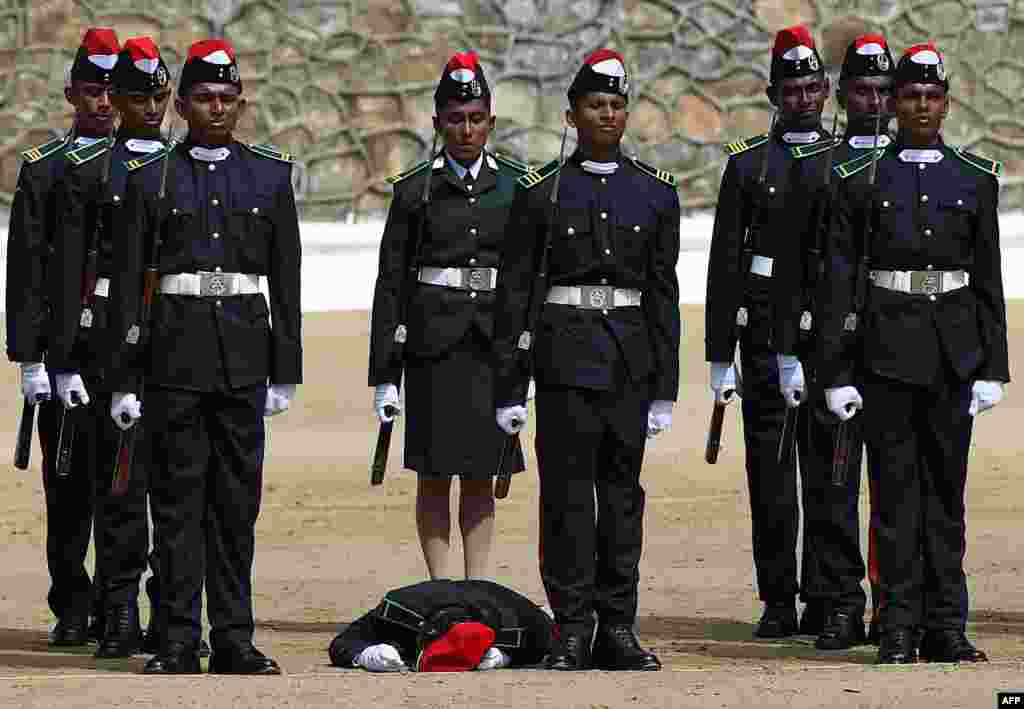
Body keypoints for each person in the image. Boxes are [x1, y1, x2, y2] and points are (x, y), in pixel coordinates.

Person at [107, 38, 301, 675]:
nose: (216, 107)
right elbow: (132, 284)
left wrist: (285, 369)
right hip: (174, 359)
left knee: (237, 506)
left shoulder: (269, 176)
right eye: (203, 98)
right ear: (182, 104)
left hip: (244, 357)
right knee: (177, 503)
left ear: (240, 102)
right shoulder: (152, 177)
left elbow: (287, 282)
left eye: (226, 97)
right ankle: (178, 639)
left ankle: (235, 639)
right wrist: (125, 378)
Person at [819, 42, 1007, 664]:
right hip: (885, 355)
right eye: (910, 97)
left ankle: (947, 625)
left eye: (931, 97)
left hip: (952, 355)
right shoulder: (860, 180)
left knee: (945, 500)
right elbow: (841, 281)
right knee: (894, 497)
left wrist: (993, 367)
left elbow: (986, 280)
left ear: (946, 104)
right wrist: (836, 370)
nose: (921, 106)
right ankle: (897, 624)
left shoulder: (974, 179)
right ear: (893, 105)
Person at [493, 49, 680, 671]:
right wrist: (509, 385)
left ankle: (617, 627)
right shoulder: (541, 194)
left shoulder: (653, 194)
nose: (608, 114)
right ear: (572, 114)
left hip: (629, 360)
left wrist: (665, 386)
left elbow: (663, 294)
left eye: (617, 105)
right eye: (596, 105)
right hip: (565, 359)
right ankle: (572, 625)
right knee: (567, 498)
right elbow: (516, 294)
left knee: (623, 499)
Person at [369, 52, 528, 581]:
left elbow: (527, 281)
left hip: (492, 345)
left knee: (482, 475)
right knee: (434, 475)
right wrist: (385, 375)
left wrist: (525, 364)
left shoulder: (517, 188)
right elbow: (390, 285)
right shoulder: (414, 190)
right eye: (455, 118)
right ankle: (441, 587)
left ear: (491, 121)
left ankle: (478, 584)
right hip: (434, 347)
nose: (466, 129)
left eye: (476, 117)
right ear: (437, 123)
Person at [705, 25, 835, 640]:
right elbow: (726, 262)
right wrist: (717, 352)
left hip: (829, 335)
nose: (803, 97)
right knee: (772, 473)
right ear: (772, 93)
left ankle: (828, 593)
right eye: (792, 88)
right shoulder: (749, 163)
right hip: (761, 331)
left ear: (827, 90)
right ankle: (779, 595)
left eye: (812, 86)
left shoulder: (850, 159)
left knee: (828, 470)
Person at [5, 27, 121, 646]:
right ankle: (72, 603)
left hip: (128, 348)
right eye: (93, 90)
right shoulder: (45, 170)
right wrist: (28, 358)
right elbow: (24, 270)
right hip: (62, 353)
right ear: (71, 92)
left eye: (112, 90)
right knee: (70, 485)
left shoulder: (150, 162)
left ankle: (119, 603)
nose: (104, 102)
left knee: (126, 486)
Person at [328, 579, 553, 672]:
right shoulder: (399, 609)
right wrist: (365, 655)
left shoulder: (518, 619)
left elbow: (548, 639)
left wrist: (508, 656)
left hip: (496, 603)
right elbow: (342, 643)